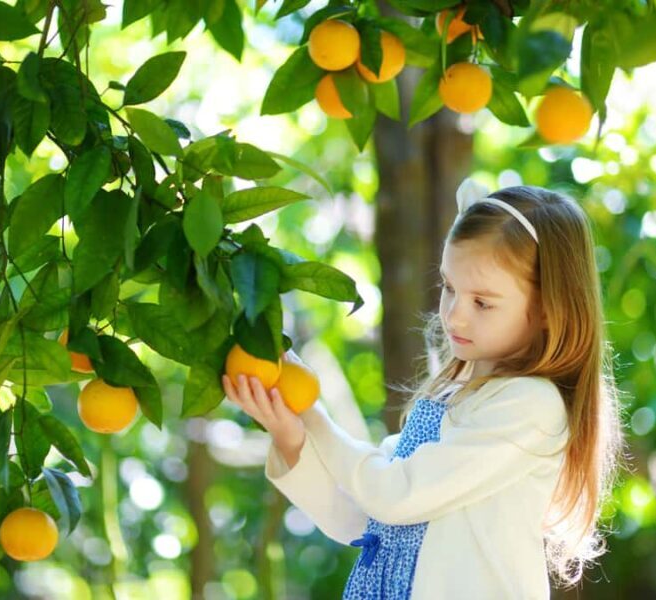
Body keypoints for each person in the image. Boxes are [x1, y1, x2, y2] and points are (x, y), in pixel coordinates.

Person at [221, 176, 628, 599]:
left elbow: (393, 494)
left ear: (548, 310)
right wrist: (291, 436)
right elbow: (364, 520)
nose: (454, 316)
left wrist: (313, 415)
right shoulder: (453, 397)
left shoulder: (529, 406)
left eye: (482, 302)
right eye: (449, 288)